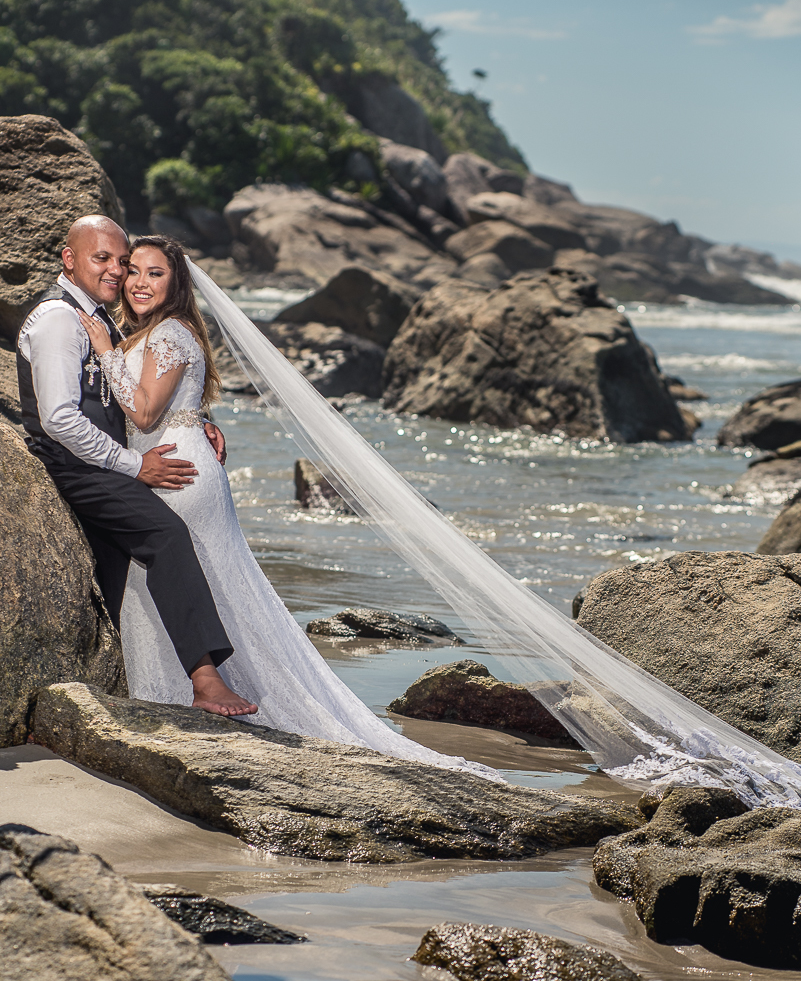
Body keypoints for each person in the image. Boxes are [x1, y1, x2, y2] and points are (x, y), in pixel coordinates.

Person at [78, 233, 496, 774]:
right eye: (133, 270)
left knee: (197, 584)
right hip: (167, 462)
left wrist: (108, 352)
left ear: (176, 284)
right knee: (197, 585)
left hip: (175, 472)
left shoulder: (169, 334)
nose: (138, 281)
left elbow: (143, 412)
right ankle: (186, 695)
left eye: (155, 274)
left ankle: (209, 697)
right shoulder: (149, 333)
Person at [16, 215, 257, 718]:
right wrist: (131, 464)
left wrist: (195, 418)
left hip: (100, 462)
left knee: (117, 574)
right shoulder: (59, 318)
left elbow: (141, 377)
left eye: (119, 261)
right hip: (77, 466)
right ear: (69, 259)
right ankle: (206, 680)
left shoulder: (99, 316)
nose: (115, 272)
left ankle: (125, 684)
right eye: (101, 258)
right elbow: (59, 417)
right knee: (165, 535)